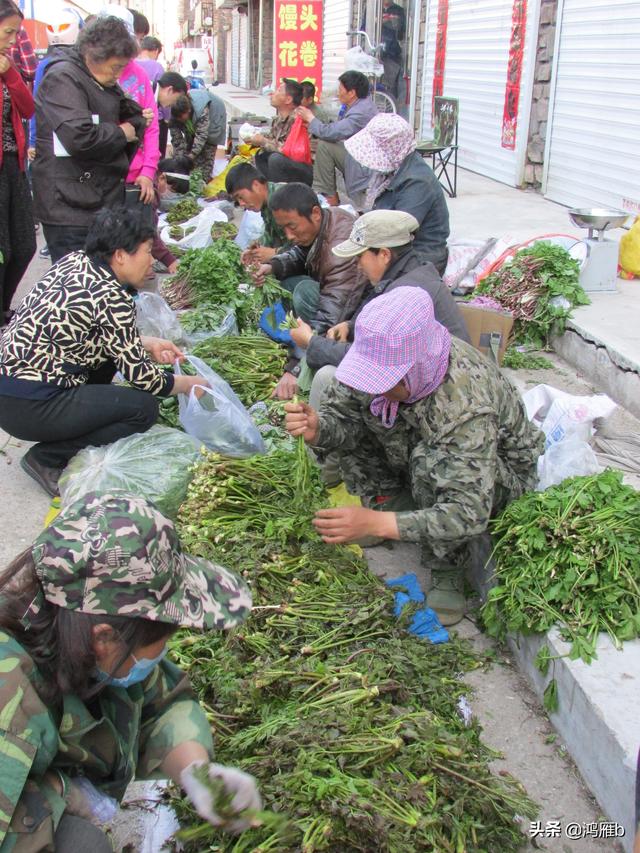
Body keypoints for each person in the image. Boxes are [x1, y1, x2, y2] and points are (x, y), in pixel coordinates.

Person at [0, 490, 259, 851]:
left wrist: (196, 771)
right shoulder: (9, 700)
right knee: (82, 844)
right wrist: (58, 792)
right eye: (163, 635)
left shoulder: (72, 625)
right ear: (104, 638)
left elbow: (161, 699)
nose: (164, 649)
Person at [284, 287, 544, 626]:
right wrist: (319, 428)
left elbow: (468, 511)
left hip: (493, 478)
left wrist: (377, 523)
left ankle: (447, 564)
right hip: (424, 444)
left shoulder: (463, 406)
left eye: (387, 380)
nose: (376, 386)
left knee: (429, 462)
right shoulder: (384, 358)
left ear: (415, 368)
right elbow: (345, 421)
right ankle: (390, 507)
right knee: (367, 422)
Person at [0, 206, 209, 497]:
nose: (152, 261)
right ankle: (47, 457)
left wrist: (145, 343)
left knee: (112, 363)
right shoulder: (112, 295)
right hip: (32, 405)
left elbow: (97, 334)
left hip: (10, 392)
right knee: (143, 409)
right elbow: (146, 381)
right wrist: (189, 384)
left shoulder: (75, 262)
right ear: (121, 255)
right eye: (147, 251)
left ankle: (67, 425)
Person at [32, 15, 146, 263]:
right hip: (69, 206)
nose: (119, 75)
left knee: (96, 281)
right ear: (94, 55)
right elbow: (79, 136)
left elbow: (131, 112)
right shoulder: (63, 77)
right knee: (77, 285)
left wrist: (135, 122)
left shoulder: (95, 77)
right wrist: (122, 132)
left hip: (93, 198)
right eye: (116, 67)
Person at [252, 182, 366, 399]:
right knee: (285, 283)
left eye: (292, 227)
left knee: (303, 291)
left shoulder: (339, 246)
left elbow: (332, 314)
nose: (288, 235)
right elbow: (301, 254)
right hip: (337, 298)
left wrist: (296, 367)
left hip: (353, 314)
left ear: (314, 213)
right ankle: (300, 336)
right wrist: (273, 266)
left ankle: (309, 357)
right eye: (283, 228)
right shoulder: (322, 221)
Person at [345, 113, 450, 274]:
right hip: (394, 251)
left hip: (421, 258)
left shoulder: (416, 181)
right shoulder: (392, 171)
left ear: (391, 148)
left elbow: (398, 232)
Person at [0, 0, 36, 327]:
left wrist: (10, 73)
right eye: (8, 31)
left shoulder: (8, 64)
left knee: (25, 245)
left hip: (14, 164)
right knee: (3, 249)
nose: (13, 40)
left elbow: (28, 108)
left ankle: (3, 305)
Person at [297, 70, 377, 206]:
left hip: (364, 167)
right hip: (359, 157)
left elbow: (331, 133)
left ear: (351, 93)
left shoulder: (360, 112)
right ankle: (327, 194)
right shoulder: (359, 105)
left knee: (325, 146)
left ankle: (329, 197)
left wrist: (311, 118)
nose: (337, 93)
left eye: (340, 89)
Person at [247, 78, 313, 185]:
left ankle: (282, 193)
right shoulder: (278, 119)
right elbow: (271, 139)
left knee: (275, 159)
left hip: (304, 169)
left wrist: (263, 141)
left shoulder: (299, 119)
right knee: (260, 155)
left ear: (288, 100)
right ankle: (270, 190)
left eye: (278, 91)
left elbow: (288, 151)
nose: (273, 94)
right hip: (287, 164)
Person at [225, 162, 288, 263]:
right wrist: (256, 249)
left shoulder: (283, 200)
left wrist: (275, 253)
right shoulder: (265, 204)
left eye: (240, 197)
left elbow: (306, 247)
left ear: (256, 185)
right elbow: (271, 234)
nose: (241, 203)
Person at [170, 88, 226, 180]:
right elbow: (176, 138)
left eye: (181, 117)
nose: (180, 120)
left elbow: (201, 135)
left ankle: (204, 181)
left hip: (215, 116)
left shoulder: (201, 110)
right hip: (193, 117)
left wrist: (191, 156)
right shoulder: (175, 113)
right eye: (178, 118)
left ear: (188, 111)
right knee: (189, 144)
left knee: (207, 154)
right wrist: (180, 158)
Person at [156, 70, 188, 156]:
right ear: (170, 90)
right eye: (178, 98)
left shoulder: (155, 103)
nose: (175, 104)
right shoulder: (147, 94)